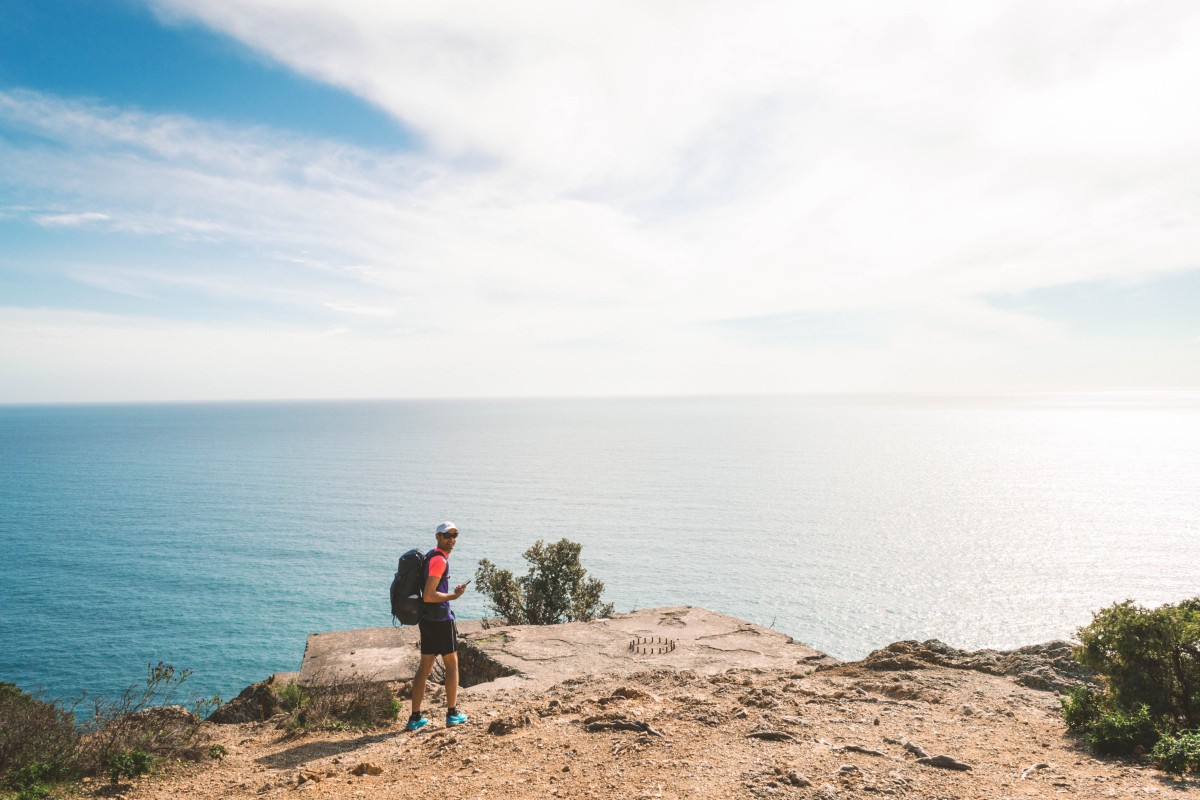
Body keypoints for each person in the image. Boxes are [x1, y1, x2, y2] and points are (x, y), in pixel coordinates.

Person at [406, 521, 470, 731]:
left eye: (454, 536)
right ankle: (452, 714)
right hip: (440, 619)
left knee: (425, 667)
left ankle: (415, 717)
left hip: (427, 619)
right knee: (451, 665)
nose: (451, 540)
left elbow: (429, 591)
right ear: (438, 537)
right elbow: (431, 594)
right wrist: (454, 596)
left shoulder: (430, 556)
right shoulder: (439, 560)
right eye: (447, 536)